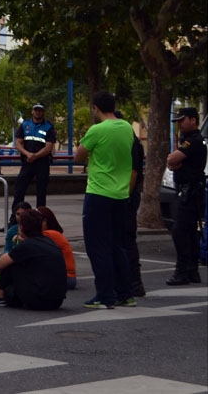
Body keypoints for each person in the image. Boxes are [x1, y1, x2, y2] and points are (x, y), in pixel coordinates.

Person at [74, 91, 135, 309]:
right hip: (120, 194)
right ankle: (125, 293)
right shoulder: (127, 127)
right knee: (118, 245)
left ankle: (104, 295)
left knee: (97, 246)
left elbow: (78, 156)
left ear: (96, 108)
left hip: (99, 193)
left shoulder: (97, 130)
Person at [0, 208, 66, 310]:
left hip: (38, 300)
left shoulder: (27, 245)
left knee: (11, 264)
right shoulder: (49, 242)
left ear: (22, 227)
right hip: (57, 301)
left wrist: (0, 270)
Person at [166, 107, 207, 286]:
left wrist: (175, 162)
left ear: (193, 120)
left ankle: (182, 271)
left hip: (191, 192)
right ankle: (191, 271)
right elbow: (173, 162)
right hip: (187, 190)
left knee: (180, 232)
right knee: (189, 232)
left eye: (183, 120)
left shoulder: (194, 140)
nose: (180, 124)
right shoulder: (188, 139)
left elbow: (172, 160)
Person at [116, 111, 146, 296]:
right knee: (124, 239)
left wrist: (126, 196)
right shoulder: (131, 140)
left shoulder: (132, 142)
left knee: (126, 239)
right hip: (127, 193)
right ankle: (130, 282)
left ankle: (134, 283)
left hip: (128, 194)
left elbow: (134, 173)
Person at [13, 102, 57, 209]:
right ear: (32, 111)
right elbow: (18, 143)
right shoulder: (25, 125)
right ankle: (15, 218)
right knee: (19, 189)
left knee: (41, 192)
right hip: (27, 162)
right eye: (36, 110)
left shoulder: (49, 127)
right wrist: (27, 154)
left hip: (42, 162)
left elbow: (48, 147)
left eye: (40, 110)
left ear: (43, 112)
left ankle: (40, 218)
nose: (38, 112)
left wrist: (35, 156)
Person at [37, 206, 77, 290]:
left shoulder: (50, 234)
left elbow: (31, 241)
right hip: (66, 277)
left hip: (66, 278)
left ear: (44, 221)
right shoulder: (52, 234)